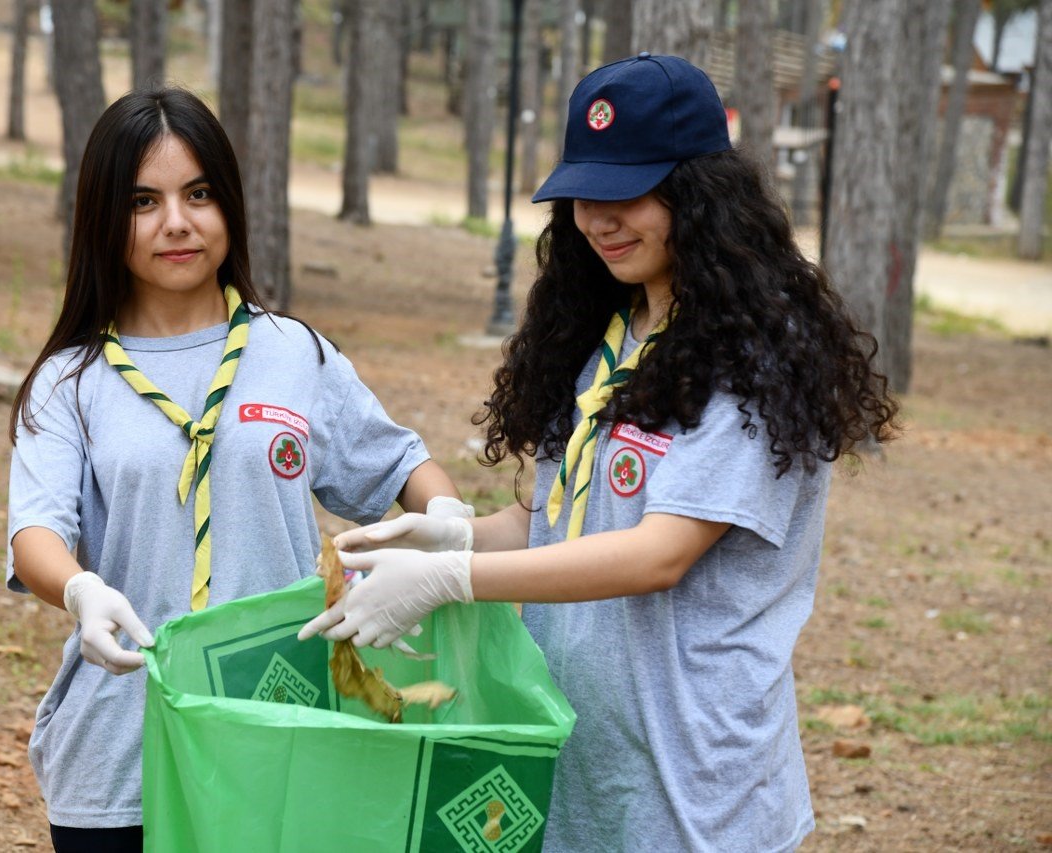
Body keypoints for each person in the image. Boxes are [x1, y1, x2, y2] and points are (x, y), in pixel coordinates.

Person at [301, 54, 899, 852]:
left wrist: (455, 578)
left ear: (700, 195)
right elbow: (549, 518)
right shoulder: (610, 336)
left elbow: (658, 553)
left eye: (629, 194)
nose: (600, 219)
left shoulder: (752, 359)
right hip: (587, 767)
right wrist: (449, 534)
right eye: (586, 194)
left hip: (697, 790)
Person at [7, 87, 464, 852]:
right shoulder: (70, 381)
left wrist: (447, 522)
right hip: (121, 752)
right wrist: (81, 589)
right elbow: (35, 533)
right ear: (102, 218)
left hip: (276, 734)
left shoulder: (294, 352)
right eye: (143, 200)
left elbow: (405, 466)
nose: (176, 222)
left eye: (199, 194)